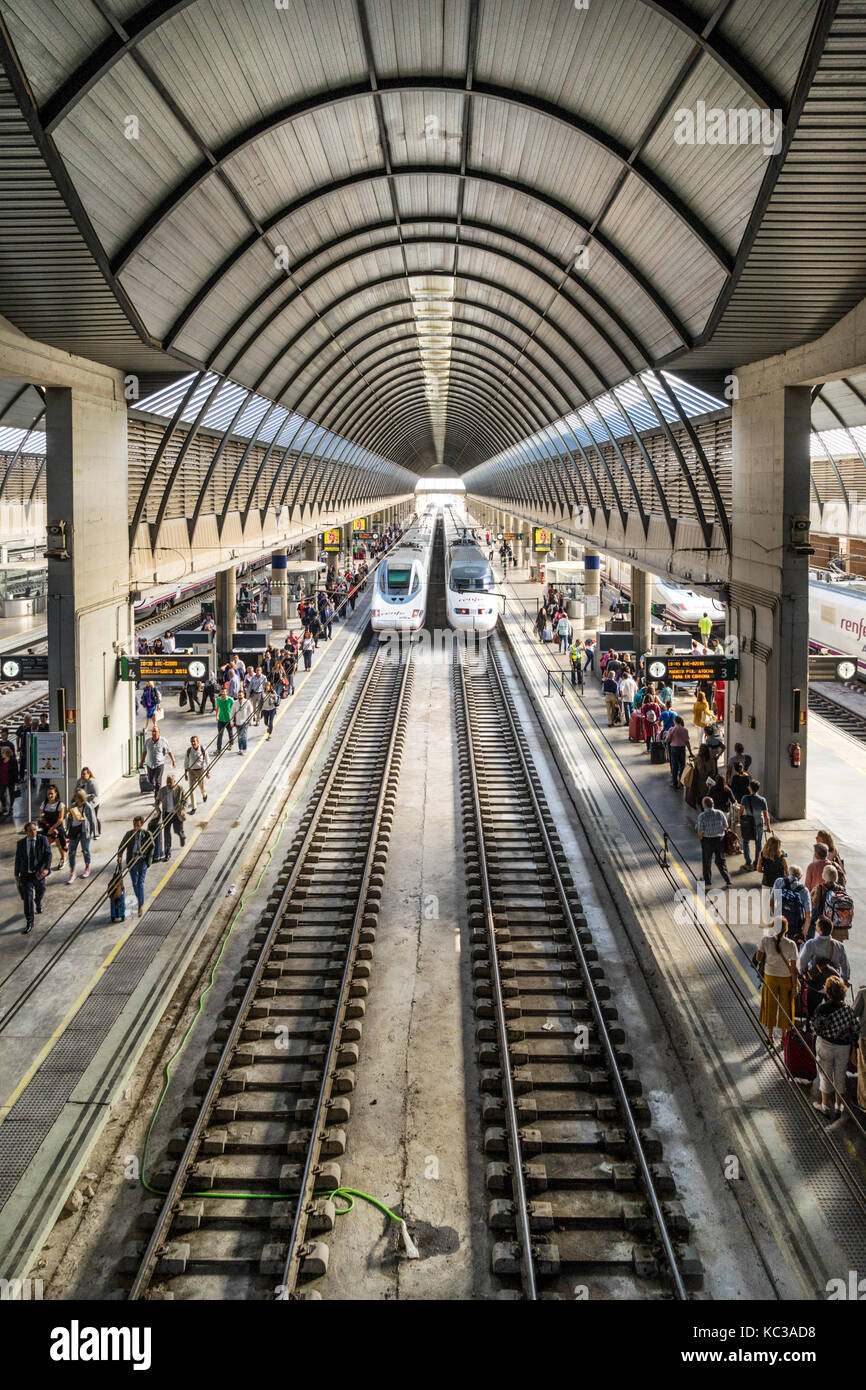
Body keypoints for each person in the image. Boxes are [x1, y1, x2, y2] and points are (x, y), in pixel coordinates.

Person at [812, 976, 860, 1117]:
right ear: (843, 992)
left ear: (827, 992)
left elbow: (816, 1028)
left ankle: (825, 1106)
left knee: (825, 1075)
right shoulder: (848, 1010)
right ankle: (839, 1106)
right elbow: (855, 1030)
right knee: (840, 1075)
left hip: (825, 1045)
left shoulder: (822, 1009)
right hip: (843, 1048)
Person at [754, 918, 798, 1047]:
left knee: (770, 1004)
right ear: (786, 929)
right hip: (786, 978)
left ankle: (770, 1035)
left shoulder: (766, 941)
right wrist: (795, 986)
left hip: (770, 977)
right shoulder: (791, 944)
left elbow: (758, 958)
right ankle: (784, 1036)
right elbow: (794, 968)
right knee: (785, 1006)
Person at [799, 917, 850, 1022]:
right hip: (833, 987)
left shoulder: (811, 944)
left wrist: (805, 974)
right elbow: (845, 967)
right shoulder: (839, 946)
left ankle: (811, 1034)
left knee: (811, 1014)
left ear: (819, 930)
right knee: (833, 1016)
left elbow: (802, 963)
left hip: (815, 985)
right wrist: (845, 979)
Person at [15, 821, 52, 935]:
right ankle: (29, 922)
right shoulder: (21, 843)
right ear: (26, 832)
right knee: (28, 899)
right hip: (26, 875)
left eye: (35, 830)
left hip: (39, 874)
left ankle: (38, 902)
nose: (33, 832)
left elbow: (48, 855)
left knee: (41, 891)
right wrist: (16, 874)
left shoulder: (43, 839)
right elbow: (18, 859)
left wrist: (46, 869)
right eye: (30, 831)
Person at [117, 815, 156, 919]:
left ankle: (140, 905)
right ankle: (140, 901)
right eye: (134, 825)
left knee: (140, 883)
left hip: (142, 861)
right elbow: (121, 846)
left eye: (137, 825)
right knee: (134, 883)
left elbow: (152, 847)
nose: (135, 827)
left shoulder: (147, 834)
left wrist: (149, 861)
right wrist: (120, 855)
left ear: (142, 825)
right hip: (132, 860)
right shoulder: (129, 834)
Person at [696, 796, 732, 888]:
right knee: (721, 861)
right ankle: (727, 879)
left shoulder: (702, 816)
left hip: (707, 841)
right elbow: (726, 826)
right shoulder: (720, 813)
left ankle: (708, 881)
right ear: (713, 804)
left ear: (704, 805)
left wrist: (701, 839)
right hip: (720, 840)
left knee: (707, 861)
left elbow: (700, 831)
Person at [770, 864, 810, 944]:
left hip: (780, 921)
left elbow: (771, 902)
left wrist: (776, 917)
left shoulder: (779, 881)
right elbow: (808, 915)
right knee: (793, 948)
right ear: (800, 877)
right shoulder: (804, 890)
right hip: (795, 926)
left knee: (778, 944)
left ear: (788, 873)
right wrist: (803, 934)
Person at [738, 779, 770, 872]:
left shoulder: (745, 798)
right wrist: (768, 827)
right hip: (759, 824)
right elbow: (766, 815)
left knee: (745, 842)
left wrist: (740, 821)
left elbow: (740, 810)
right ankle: (756, 863)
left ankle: (748, 862)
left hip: (748, 824)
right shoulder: (762, 800)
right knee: (758, 843)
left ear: (750, 788)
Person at [66, 789, 97, 883]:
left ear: (80, 797)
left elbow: (93, 819)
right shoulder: (72, 806)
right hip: (74, 831)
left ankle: (87, 868)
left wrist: (95, 833)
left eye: (75, 796)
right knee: (71, 851)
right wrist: (70, 818)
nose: (74, 798)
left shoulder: (87, 806)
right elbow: (69, 820)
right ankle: (72, 872)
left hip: (84, 831)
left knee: (85, 850)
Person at [153, 775, 187, 860]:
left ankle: (182, 836)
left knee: (178, 830)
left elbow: (185, 801)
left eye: (170, 782)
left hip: (177, 814)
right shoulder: (162, 791)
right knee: (167, 834)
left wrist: (183, 810)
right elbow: (157, 800)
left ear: (174, 782)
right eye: (167, 782)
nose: (168, 784)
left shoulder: (180, 789)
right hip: (167, 814)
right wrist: (157, 808)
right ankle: (167, 853)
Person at [757, 835, 788, 921]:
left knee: (767, 905)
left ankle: (770, 922)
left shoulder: (762, 854)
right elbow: (787, 873)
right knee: (778, 905)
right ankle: (778, 923)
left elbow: (759, 869)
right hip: (779, 884)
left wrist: (767, 871)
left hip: (767, 882)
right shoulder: (782, 857)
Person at [139, 725, 175, 797]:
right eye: (153, 731)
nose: (154, 733)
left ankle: (157, 798)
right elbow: (144, 752)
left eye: (155, 731)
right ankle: (156, 789)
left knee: (158, 782)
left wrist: (173, 760)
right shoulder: (148, 741)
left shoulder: (163, 741)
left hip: (159, 764)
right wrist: (141, 763)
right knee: (150, 780)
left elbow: (169, 751)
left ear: (159, 732)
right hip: (149, 764)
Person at [39, 783, 68, 870]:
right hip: (47, 826)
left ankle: (63, 858)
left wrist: (52, 829)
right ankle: (45, 861)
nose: (50, 795)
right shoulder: (44, 804)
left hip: (57, 827)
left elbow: (60, 819)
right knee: (44, 844)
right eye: (48, 794)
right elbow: (41, 815)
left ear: (56, 793)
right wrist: (43, 817)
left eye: (52, 793)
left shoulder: (60, 805)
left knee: (59, 843)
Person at [665, 716, 693, 789]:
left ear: (675, 721)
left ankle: (675, 784)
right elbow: (687, 742)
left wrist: (668, 737)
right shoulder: (685, 730)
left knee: (674, 767)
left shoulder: (672, 729)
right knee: (682, 766)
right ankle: (681, 782)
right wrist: (690, 752)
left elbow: (667, 740)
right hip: (682, 749)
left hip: (674, 749)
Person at [184, 735, 209, 812]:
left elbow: (207, 761)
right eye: (192, 741)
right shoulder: (189, 751)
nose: (193, 743)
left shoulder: (202, 749)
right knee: (191, 789)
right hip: (191, 771)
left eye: (194, 741)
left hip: (200, 771)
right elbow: (186, 762)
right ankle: (194, 807)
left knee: (202, 787)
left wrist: (207, 772)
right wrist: (185, 773)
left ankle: (204, 795)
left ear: (197, 742)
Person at [73, 766, 100, 836]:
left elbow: (95, 794)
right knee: (84, 817)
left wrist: (84, 797)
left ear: (89, 774)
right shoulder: (79, 781)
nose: (82, 775)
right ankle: (86, 831)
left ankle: (97, 832)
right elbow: (75, 791)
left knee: (94, 817)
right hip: (82, 803)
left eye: (84, 774)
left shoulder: (92, 782)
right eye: (82, 774)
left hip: (93, 803)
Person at [0, 745, 17, 816]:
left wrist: (16, 780)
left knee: (11, 794)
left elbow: (16, 771)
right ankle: (4, 807)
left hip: (10, 780)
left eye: (2, 752)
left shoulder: (13, 760)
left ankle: (11, 808)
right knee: (1, 794)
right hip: (2, 780)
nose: (1, 753)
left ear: (6, 753)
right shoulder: (1, 760)